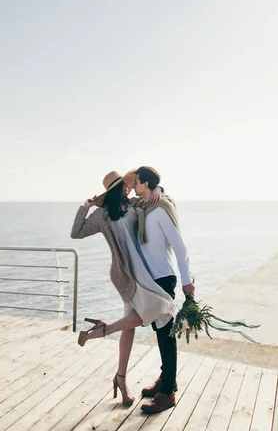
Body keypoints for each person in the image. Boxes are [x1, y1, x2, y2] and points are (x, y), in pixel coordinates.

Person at [70, 170, 178, 407]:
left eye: (129, 184)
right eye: (123, 186)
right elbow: (75, 232)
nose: (128, 187)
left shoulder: (131, 205)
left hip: (142, 271)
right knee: (145, 315)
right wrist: (86, 205)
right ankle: (100, 332)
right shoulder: (101, 215)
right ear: (114, 190)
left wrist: (159, 189)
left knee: (133, 323)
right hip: (125, 274)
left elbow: (155, 196)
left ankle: (120, 377)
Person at [133, 166, 194, 415]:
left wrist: (187, 281)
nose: (135, 187)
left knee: (166, 336)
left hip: (164, 278)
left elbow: (180, 246)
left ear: (145, 184)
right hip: (153, 278)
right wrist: (158, 189)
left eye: (137, 183)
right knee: (161, 333)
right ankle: (166, 378)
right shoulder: (145, 207)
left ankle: (168, 393)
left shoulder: (160, 210)